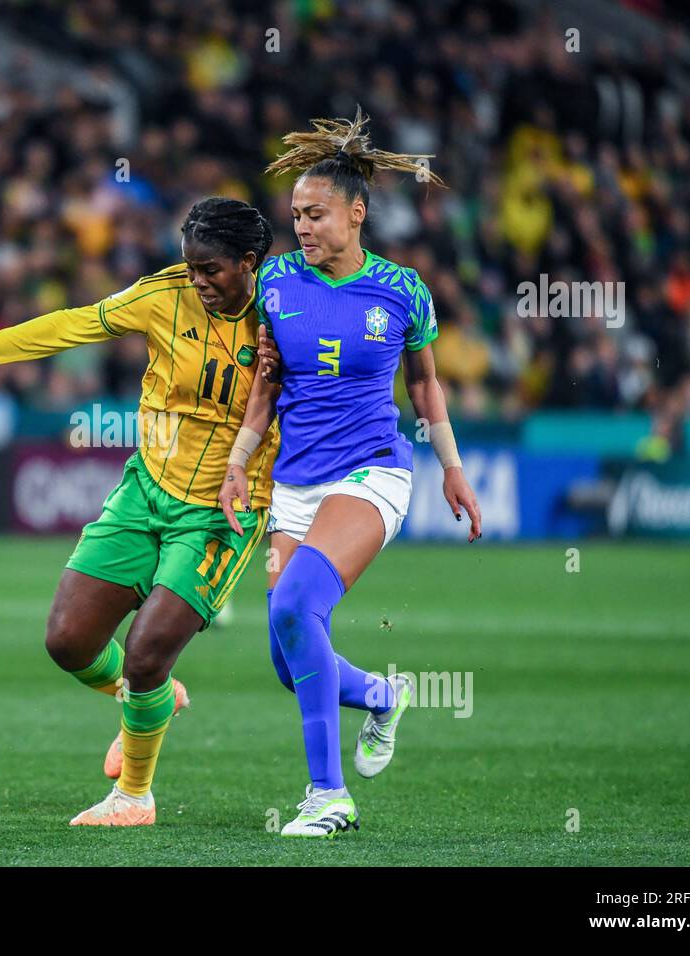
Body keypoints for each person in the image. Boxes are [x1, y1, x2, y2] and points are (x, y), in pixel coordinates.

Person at [0, 198, 279, 826]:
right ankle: (146, 698)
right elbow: (74, 324)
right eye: (190, 267)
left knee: (148, 648)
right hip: (144, 490)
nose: (198, 282)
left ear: (249, 263)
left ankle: (134, 796)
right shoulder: (166, 294)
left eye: (210, 270)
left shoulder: (284, 314)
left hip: (220, 512)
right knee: (68, 641)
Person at [219, 110, 482, 837]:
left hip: (373, 474)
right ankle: (382, 694)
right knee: (287, 655)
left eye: (317, 213)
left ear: (356, 212)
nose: (302, 226)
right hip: (296, 482)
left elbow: (426, 386)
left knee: (297, 610)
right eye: (296, 214)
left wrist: (451, 468)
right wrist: (240, 466)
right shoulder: (274, 282)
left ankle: (327, 796)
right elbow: (267, 383)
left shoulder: (402, 290)